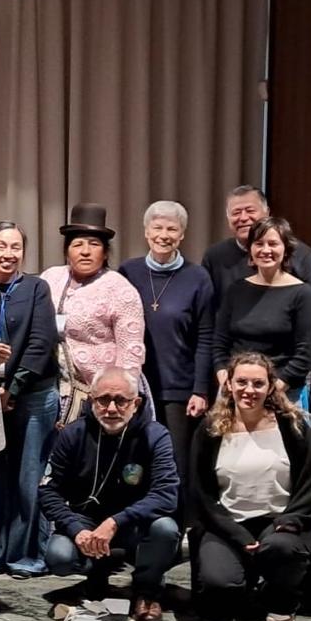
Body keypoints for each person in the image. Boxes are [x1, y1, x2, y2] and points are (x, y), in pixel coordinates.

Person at [192, 352, 311, 621]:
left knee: (281, 549)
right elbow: (201, 492)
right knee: (220, 586)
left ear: (270, 386)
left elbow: (310, 484)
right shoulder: (210, 429)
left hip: (280, 524)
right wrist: (236, 534)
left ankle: (282, 599)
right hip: (228, 525)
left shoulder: (292, 424)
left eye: (258, 383)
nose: (249, 390)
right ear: (229, 384)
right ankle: (249, 579)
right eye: (241, 382)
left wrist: (289, 520)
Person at [40, 366, 180, 621]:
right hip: (86, 522)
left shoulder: (155, 435)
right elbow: (48, 491)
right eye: (103, 400)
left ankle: (147, 590)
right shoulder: (72, 434)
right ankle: (96, 576)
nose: (112, 408)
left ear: (136, 404)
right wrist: (75, 529)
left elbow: (166, 494)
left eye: (121, 400)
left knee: (166, 529)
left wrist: (115, 522)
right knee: (59, 556)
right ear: (92, 400)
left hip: (134, 523)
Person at [0, 222, 61, 579]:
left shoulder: (37, 288)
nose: (8, 254)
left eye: (15, 247)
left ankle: (26, 555)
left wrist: (14, 388)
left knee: (29, 478)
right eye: (1, 246)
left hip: (34, 394)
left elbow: (41, 342)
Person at [117, 201, 215, 512]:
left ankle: (176, 524)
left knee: (176, 463)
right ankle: (136, 522)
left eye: (172, 229)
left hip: (180, 389)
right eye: (157, 227)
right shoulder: (128, 272)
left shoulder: (198, 277)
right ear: (146, 232)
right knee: (134, 460)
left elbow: (206, 337)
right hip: (136, 386)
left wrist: (200, 389)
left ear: (182, 234)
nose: (164, 234)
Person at [41, 204, 146, 428]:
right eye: (77, 244)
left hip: (99, 397)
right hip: (49, 389)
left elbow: (131, 352)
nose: (85, 251)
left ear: (105, 252)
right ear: (67, 250)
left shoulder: (120, 289)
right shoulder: (49, 278)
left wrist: (117, 398)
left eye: (94, 244)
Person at [211, 217, 311, 396]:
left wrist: (270, 390)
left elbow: (304, 353)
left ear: (286, 249)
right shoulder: (236, 290)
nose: (265, 250)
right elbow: (220, 342)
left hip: (281, 392)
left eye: (273, 244)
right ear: (250, 249)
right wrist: (225, 377)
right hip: (235, 390)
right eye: (259, 244)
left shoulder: (302, 293)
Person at [200, 186, 311, 296]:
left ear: (267, 213)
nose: (243, 218)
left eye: (250, 211)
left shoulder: (301, 254)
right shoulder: (215, 256)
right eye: (236, 213)